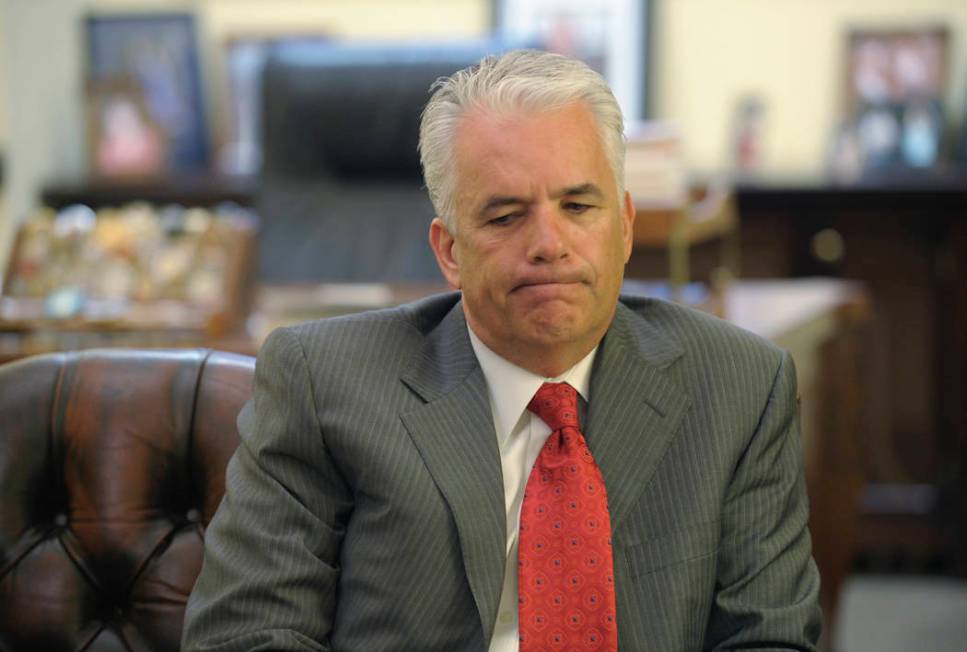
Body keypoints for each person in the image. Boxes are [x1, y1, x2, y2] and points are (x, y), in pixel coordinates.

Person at [183, 49, 822, 651]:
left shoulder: (740, 387)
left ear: (624, 226)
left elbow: (768, 636)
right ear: (450, 251)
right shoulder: (323, 384)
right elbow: (246, 634)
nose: (550, 242)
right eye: (506, 215)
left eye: (578, 205)